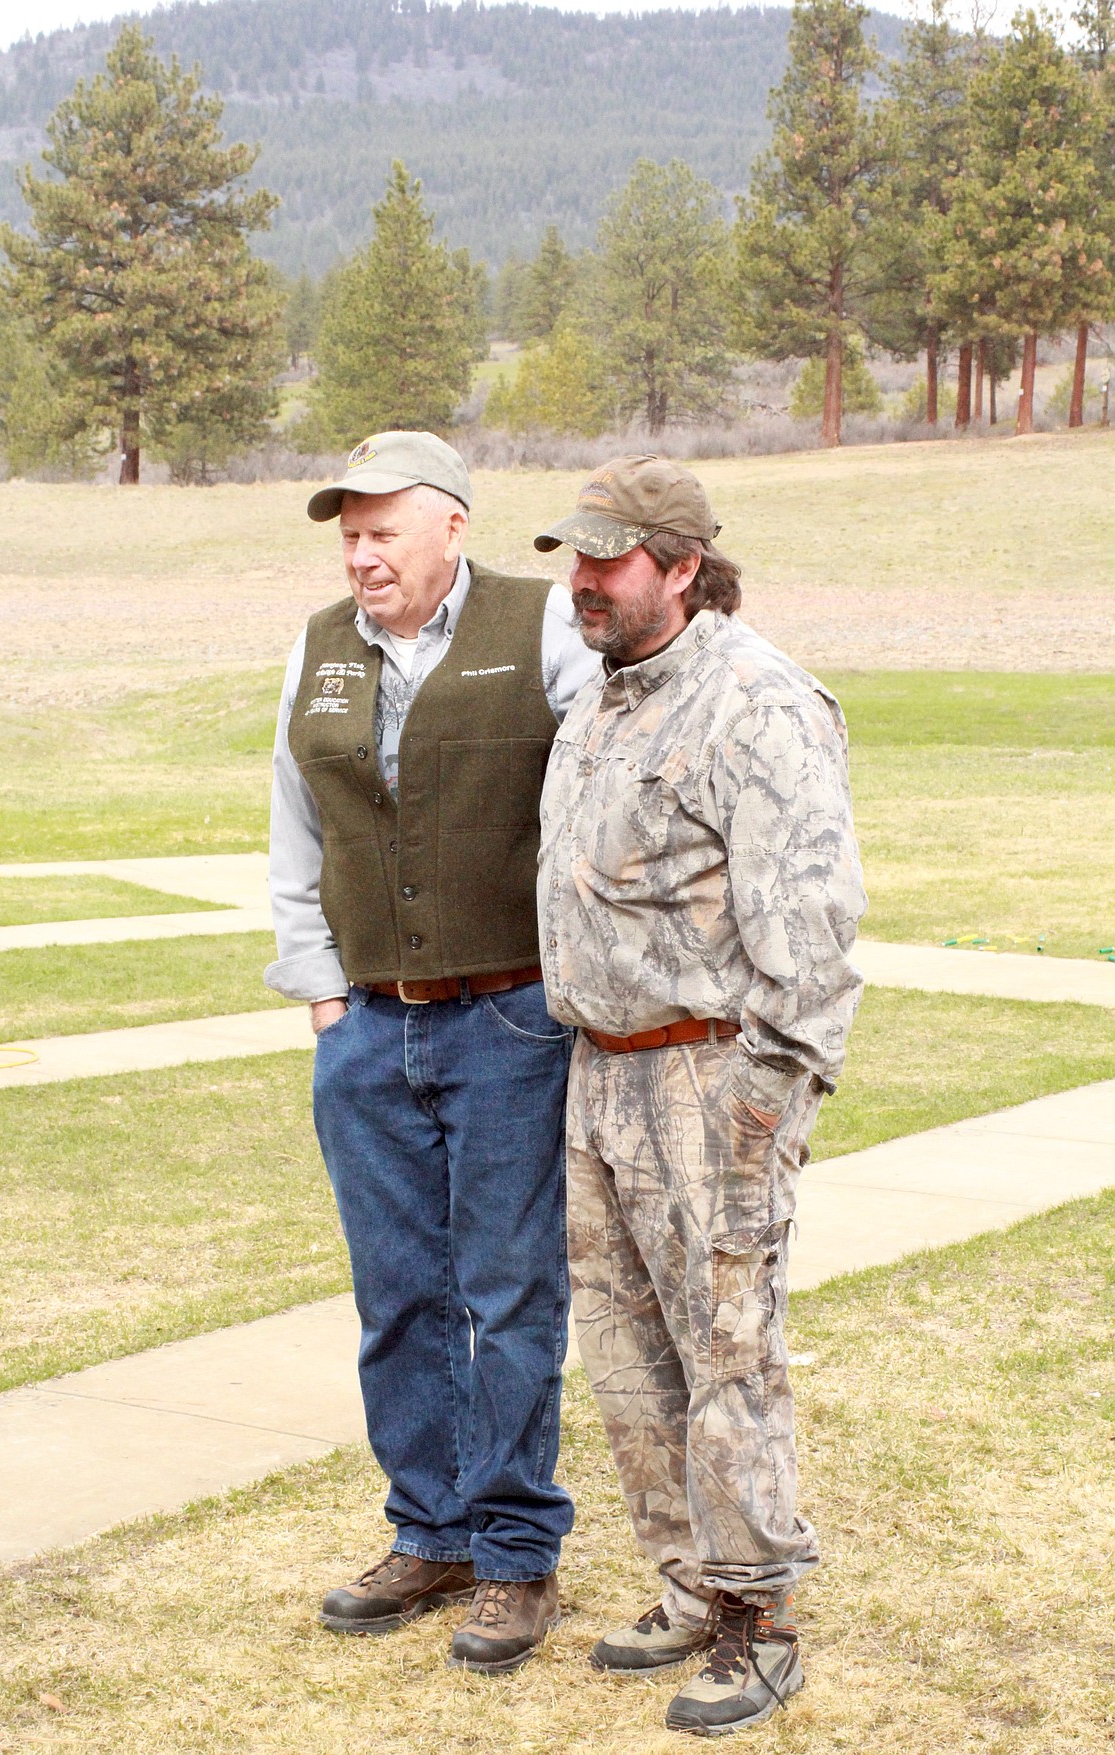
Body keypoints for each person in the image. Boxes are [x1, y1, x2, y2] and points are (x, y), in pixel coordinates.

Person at [534, 456, 866, 1736]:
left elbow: (817, 935)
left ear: (682, 565)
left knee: (729, 1354)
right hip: (599, 1074)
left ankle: (759, 1616)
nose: (585, 581)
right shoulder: (606, 701)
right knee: (625, 1354)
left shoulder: (760, 704)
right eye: (577, 557)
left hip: (707, 1073)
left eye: (610, 559)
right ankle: (687, 1584)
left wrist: (764, 1105)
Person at [265, 430, 600, 1673]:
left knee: (511, 1296)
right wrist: (317, 989)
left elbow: (606, 787)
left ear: (453, 526)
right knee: (397, 1294)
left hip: (508, 1015)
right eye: (349, 535)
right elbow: (293, 823)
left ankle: (515, 1555)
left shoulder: (545, 622)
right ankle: (431, 1529)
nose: (362, 556)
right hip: (364, 1023)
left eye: (383, 530)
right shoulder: (317, 647)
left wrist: (576, 968)